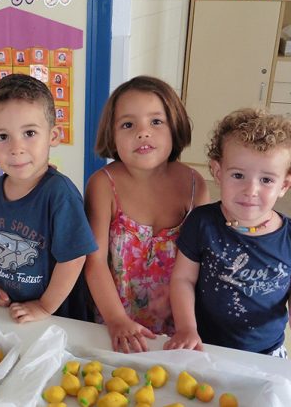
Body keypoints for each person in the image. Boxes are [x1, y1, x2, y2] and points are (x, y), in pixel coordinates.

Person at [165, 108, 291, 357]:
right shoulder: (202, 223)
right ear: (217, 172)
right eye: (238, 175)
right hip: (203, 344)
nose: (251, 190)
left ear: (286, 184)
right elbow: (183, 279)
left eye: (267, 180)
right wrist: (186, 327)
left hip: (267, 351)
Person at [84, 76, 209, 353]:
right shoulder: (103, 184)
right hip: (116, 322)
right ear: (112, 135)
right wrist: (117, 320)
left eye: (156, 122)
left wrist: (187, 321)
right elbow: (94, 262)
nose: (143, 133)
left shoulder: (193, 185)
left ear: (174, 126)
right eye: (128, 125)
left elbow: (202, 261)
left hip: (180, 324)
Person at [0, 74, 97, 323]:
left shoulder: (60, 194)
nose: (17, 148)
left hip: (60, 314)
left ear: (53, 136)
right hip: (12, 309)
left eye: (29, 133)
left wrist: (44, 307)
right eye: (3, 137)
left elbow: (74, 258)